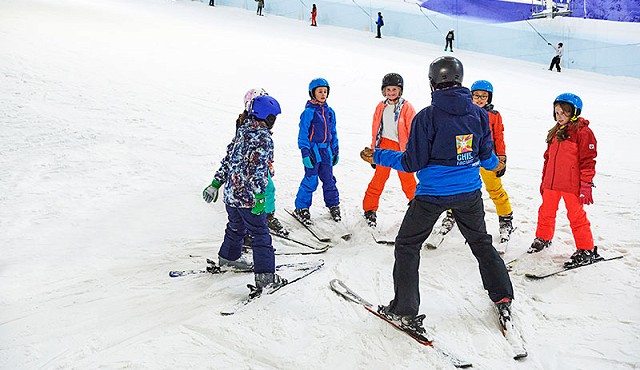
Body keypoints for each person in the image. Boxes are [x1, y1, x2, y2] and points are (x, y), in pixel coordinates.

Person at [359, 56, 514, 335]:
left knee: (407, 245)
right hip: (468, 194)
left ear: (433, 82)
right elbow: (486, 157)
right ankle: (502, 295)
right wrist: (496, 165)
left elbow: (411, 163)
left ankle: (405, 309)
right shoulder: (479, 115)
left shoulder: (427, 117)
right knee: (480, 243)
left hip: (432, 195)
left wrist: (378, 154)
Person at [202, 95, 286, 296]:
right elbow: (258, 170)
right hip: (248, 198)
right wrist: (259, 196)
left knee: (235, 227)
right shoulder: (264, 138)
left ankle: (229, 257)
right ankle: (266, 278)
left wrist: (216, 183)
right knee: (260, 234)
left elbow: (228, 160)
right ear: (268, 117)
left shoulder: (242, 131)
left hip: (231, 196)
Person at [203, 88, 289, 237]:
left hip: (259, 163)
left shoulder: (261, 128)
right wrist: (217, 182)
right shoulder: (243, 123)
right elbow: (234, 154)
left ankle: (268, 216)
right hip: (247, 169)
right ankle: (250, 230)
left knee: (270, 189)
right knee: (253, 196)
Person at [436, 80, 514, 242]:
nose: (480, 99)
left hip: (487, 157)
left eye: (484, 96)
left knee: (494, 189)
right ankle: (452, 214)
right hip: (467, 157)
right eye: (476, 96)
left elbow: (499, 137)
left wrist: (501, 157)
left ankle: (506, 219)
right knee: (458, 186)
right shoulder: (464, 112)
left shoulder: (494, 115)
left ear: (489, 98)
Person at [529, 93, 598, 268]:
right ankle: (543, 237)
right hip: (552, 184)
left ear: (574, 113)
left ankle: (586, 249)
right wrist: (544, 182)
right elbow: (548, 159)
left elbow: (588, 161)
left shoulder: (583, 132)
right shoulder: (555, 132)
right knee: (546, 211)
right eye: (557, 113)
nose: (560, 117)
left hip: (571, 185)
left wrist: (586, 185)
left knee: (576, 217)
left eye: (564, 113)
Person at [362, 73, 417, 228]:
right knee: (378, 179)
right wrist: (374, 151)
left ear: (400, 91)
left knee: (408, 180)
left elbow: (413, 130)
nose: (391, 92)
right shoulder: (381, 107)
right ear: (383, 91)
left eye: (394, 89)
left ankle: (417, 207)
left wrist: (413, 153)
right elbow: (376, 129)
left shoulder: (407, 107)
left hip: (402, 149)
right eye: (388, 89)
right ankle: (369, 209)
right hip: (384, 147)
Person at [293, 78, 341, 224]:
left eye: (325, 91)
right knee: (311, 179)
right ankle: (301, 208)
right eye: (319, 91)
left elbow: (333, 132)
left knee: (329, 180)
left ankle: (333, 204)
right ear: (312, 93)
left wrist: (335, 150)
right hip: (313, 151)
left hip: (326, 151)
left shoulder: (330, 112)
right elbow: (303, 134)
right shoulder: (308, 112)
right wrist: (305, 152)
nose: (323, 94)